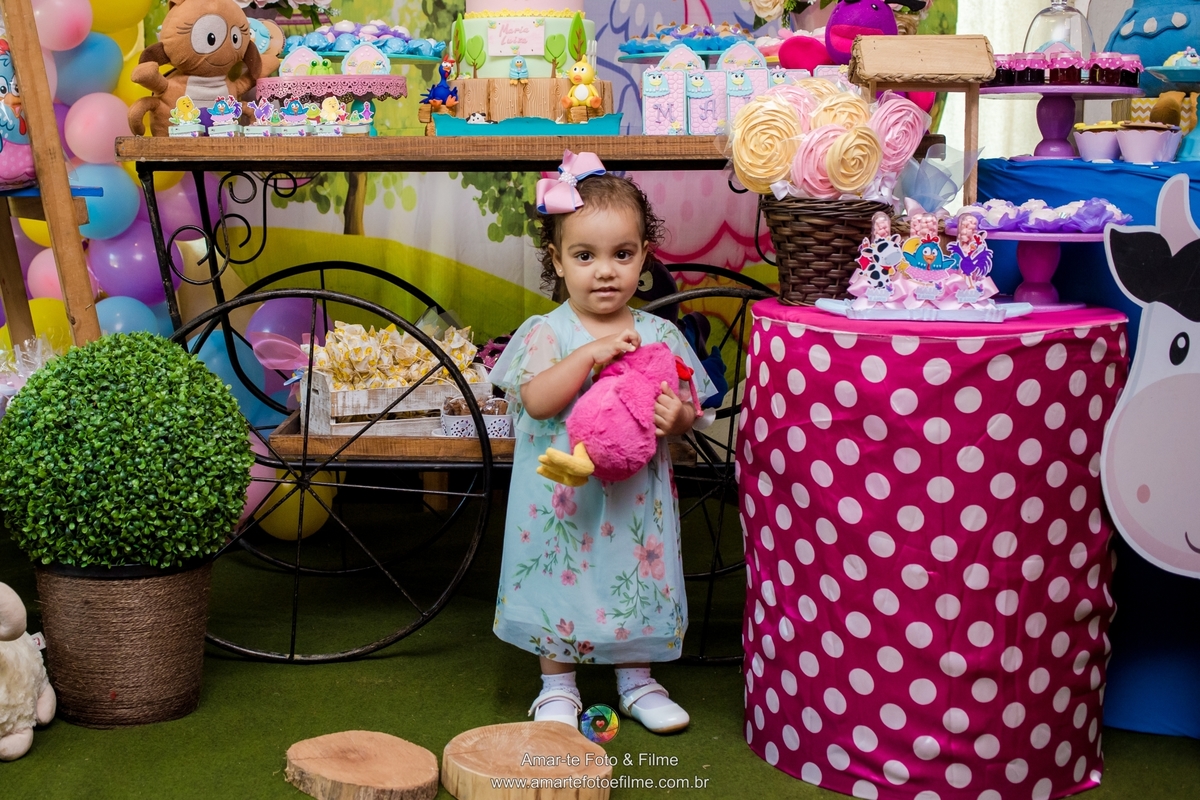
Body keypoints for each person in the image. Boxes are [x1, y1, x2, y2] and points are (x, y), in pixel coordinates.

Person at [490, 151, 715, 735]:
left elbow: (690, 407)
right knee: (559, 574)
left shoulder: (659, 334)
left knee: (630, 575)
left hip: (632, 502)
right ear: (558, 262)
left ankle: (636, 679)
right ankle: (557, 686)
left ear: (643, 258)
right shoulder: (546, 332)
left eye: (622, 254)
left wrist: (678, 418)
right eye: (585, 256)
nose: (605, 271)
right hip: (560, 502)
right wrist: (588, 355)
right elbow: (536, 401)